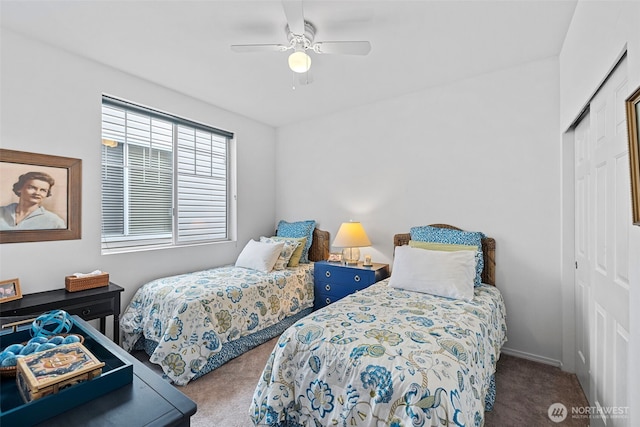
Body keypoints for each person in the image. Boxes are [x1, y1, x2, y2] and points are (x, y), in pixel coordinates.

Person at [0, 171, 66, 230]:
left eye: (43, 190)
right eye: (32, 187)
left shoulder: (54, 221)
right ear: (19, 188)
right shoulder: (1, 212)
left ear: (47, 194)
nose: (37, 193)